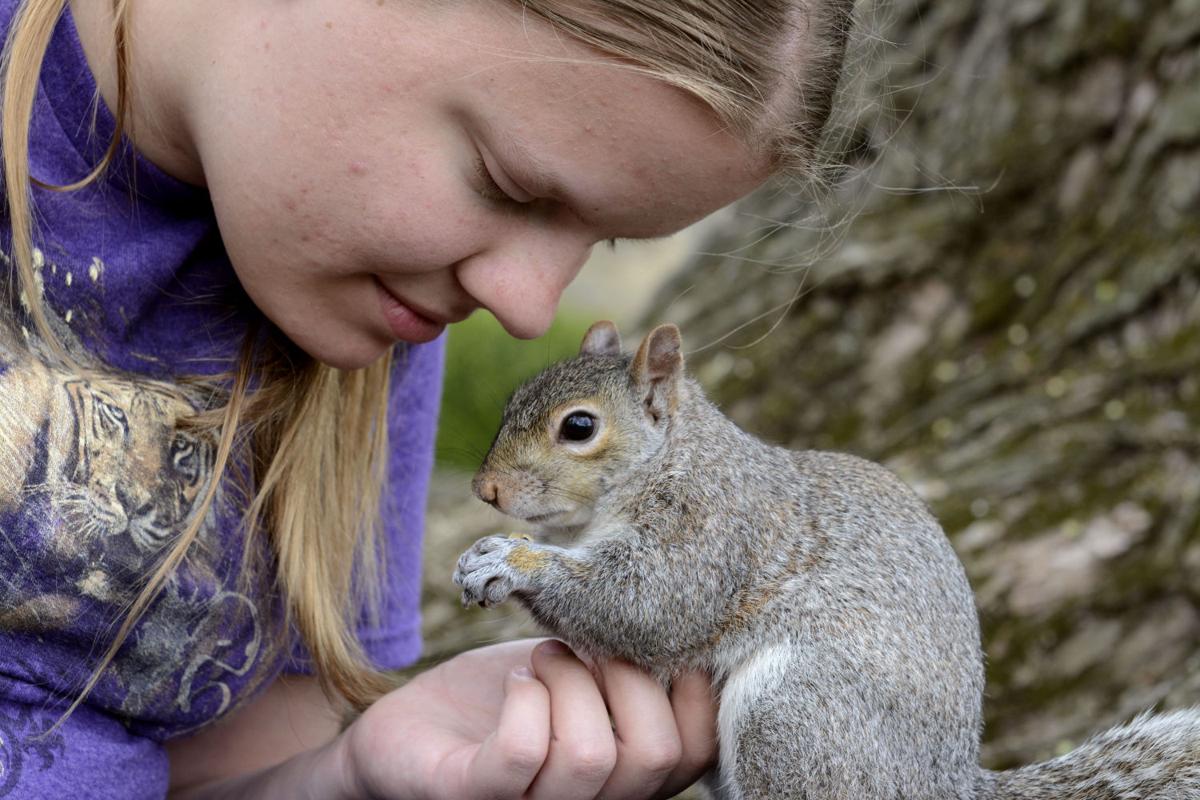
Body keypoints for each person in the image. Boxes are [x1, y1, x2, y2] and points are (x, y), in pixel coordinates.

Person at [0, 0, 853, 797]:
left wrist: (350, 774)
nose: (528, 308)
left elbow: (199, 773)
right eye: (507, 183)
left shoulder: (362, 325)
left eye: (602, 239)